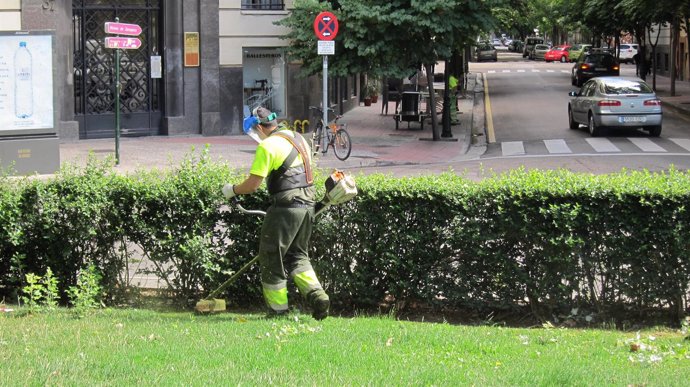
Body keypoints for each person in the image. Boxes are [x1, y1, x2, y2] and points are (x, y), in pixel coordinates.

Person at [222, 106, 330, 320]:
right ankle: (318, 296)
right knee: (297, 255)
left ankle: (277, 311)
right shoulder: (297, 137)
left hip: (286, 208)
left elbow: (253, 185)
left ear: (259, 128)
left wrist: (232, 190)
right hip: (307, 204)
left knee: (272, 256)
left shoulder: (268, 146)